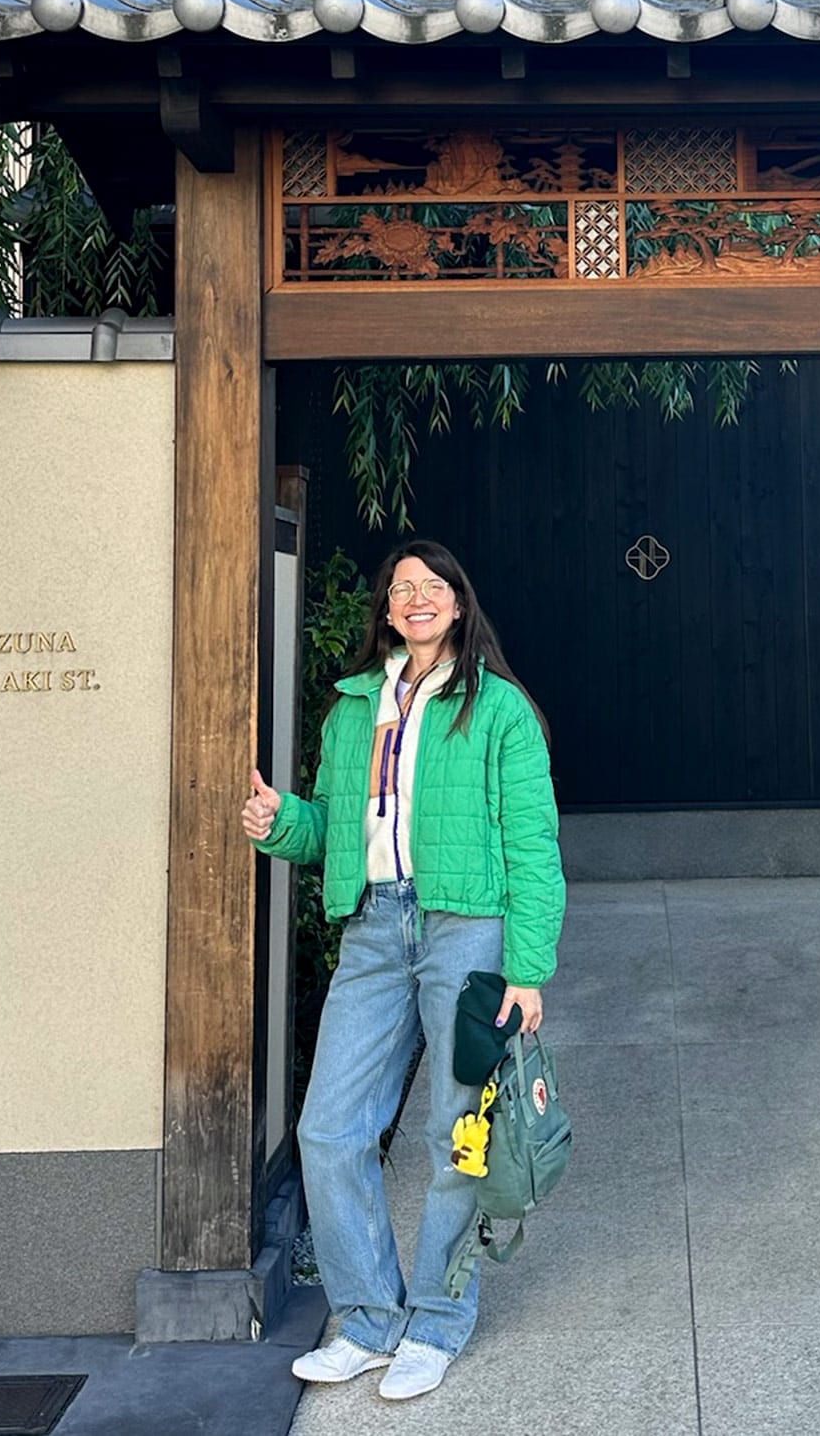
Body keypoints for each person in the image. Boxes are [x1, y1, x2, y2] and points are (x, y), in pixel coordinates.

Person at [240, 539, 564, 1401]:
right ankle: (372, 1321)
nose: (415, 599)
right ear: (386, 611)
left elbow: (534, 846)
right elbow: (332, 832)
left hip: (467, 929)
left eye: (432, 587)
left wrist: (527, 972)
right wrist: (281, 820)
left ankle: (440, 1319)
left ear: (459, 603)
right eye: (400, 589)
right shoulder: (353, 710)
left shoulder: (498, 710)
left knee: (455, 1137)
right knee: (330, 1128)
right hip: (376, 928)